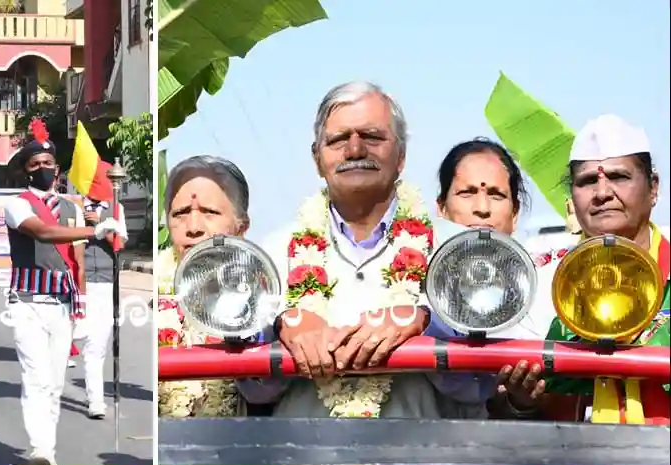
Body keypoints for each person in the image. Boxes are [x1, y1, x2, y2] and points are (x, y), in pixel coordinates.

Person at [243, 81, 492, 419]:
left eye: (372, 137)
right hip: (308, 464)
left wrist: (425, 324)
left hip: (426, 464)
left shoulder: (462, 251)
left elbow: (479, 384)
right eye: (338, 140)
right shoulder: (268, 256)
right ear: (318, 159)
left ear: (401, 155)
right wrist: (282, 328)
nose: (355, 149)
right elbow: (252, 389)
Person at [2, 119, 125, 465]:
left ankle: (48, 449)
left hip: (62, 304)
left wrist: (81, 307)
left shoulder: (71, 208)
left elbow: (78, 262)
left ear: (57, 169)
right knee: (36, 376)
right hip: (28, 302)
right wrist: (96, 228)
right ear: (26, 171)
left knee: (55, 382)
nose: (42, 169)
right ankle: (40, 449)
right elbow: (41, 233)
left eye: (47, 164)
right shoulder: (17, 204)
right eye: (34, 165)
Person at [532, 114, 669, 425]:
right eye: (588, 181)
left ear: (653, 188)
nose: (603, 192)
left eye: (619, 177)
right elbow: (522, 408)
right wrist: (519, 402)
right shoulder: (541, 286)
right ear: (572, 197)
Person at [431, 137, 552, 418]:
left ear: (515, 213)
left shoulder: (544, 291)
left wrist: (520, 401)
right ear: (441, 208)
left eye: (497, 194)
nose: (482, 207)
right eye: (467, 192)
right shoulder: (409, 286)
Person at [156, 155, 261, 418]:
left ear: (241, 227)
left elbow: (266, 392)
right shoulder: (150, 294)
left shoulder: (264, 296)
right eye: (180, 214)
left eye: (209, 213)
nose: (193, 228)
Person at [74, 160, 127, 419]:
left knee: (97, 345)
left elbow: (121, 243)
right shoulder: (73, 206)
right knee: (68, 337)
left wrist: (104, 228)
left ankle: (95, 400)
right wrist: (86, 226)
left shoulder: (117, 208)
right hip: (76, 282)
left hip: (105, 282)